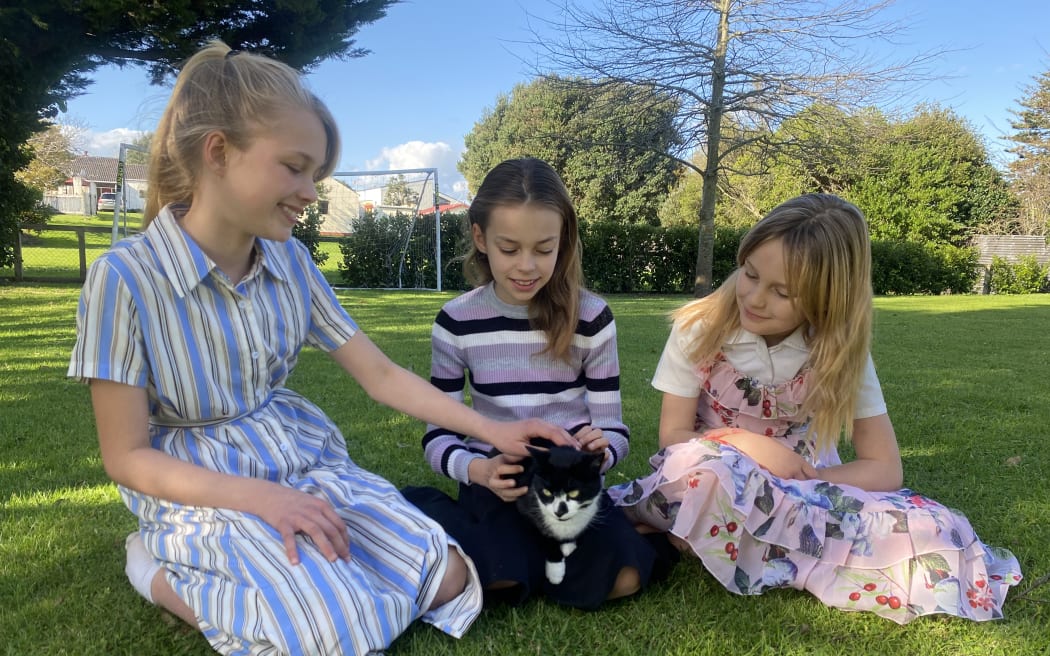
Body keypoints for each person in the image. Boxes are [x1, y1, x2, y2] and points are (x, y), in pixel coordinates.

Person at [67, 43, 572, 655]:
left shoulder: (291, 261)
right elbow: (125, 457)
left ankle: (316, 578)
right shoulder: (124, 278)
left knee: (447, 577)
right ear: (219, 152)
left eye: (317, 175)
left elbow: (380, 375)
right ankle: (152, 568)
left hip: (296, 456)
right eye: (294, 167)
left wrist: (495, 431)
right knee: (328, 633)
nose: (310, 191)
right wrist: (264, 499)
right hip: (196, 482)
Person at [610, 193, 1022, 624]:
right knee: (703, 471)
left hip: (803, 491)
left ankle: (720, 539)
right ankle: (739, 537)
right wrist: (744, 444)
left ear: (826, 301)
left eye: (782, 292)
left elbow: (884, 468)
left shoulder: (840, 354)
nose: (754, 298)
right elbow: (673, 438)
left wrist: (803, 481)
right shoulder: (699, 328)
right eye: (749, 274)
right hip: (711, 472)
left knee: (938, 530)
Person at [401, 157, 675, 611]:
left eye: (544, 249)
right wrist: (478, 471)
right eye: (509, 249)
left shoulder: (592, 317)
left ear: (563, 241)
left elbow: (614, 430)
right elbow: (438, 436)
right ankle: (438, 512)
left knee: (623, 579)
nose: (526, 266)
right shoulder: (456, 322)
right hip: (497, 482)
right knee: (498, 583)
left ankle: (538, 556)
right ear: (479, 238)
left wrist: (601, 450)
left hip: (568, 488)